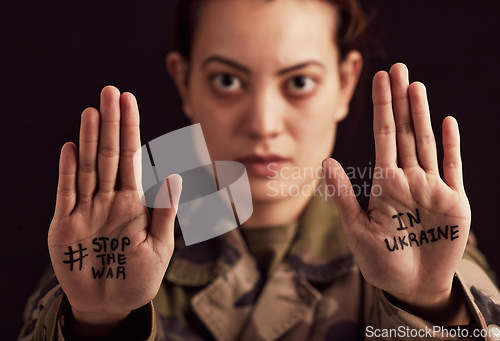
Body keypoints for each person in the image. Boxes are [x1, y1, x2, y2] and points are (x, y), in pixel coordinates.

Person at [19, 0, 500, 340]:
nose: (263, 124)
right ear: (184, 81)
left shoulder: (419, 245)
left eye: (299, 82)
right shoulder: (108, 243)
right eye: (228, 80)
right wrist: (98, 323)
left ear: (345, 81)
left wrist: (428, 304)